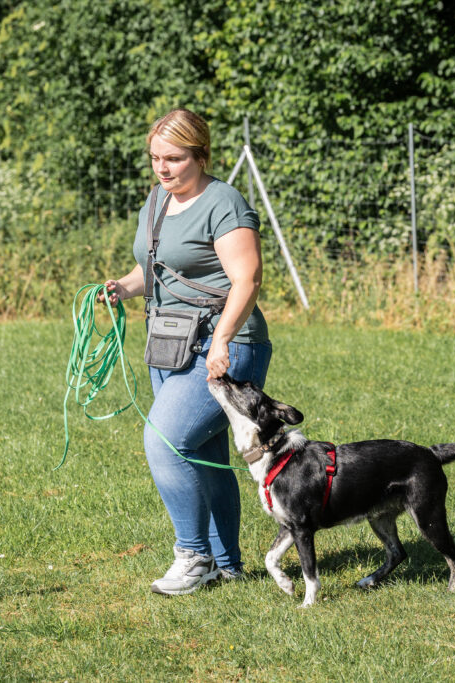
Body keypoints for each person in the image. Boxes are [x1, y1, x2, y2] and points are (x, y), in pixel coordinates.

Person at [99, 109, 271, 596]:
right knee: (203, 452)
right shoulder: (156, 201)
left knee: (165, 440)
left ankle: (192, 556)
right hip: (169, 343)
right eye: (155, 158)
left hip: (227, 347)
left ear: (201, 154)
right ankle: (226, 564)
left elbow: (247, 279)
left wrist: (220, 342)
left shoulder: (225, 203)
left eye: (174, 158)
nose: (163, 168)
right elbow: (152, 270)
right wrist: (122, 289)